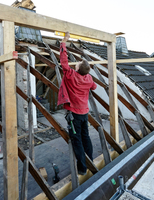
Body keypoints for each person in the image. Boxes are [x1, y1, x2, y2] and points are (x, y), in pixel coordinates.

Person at [57, 32, 97, 175]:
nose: (76, 63)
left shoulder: (71, 75)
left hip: (74, 114)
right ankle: (90, 161)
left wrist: (64, 41)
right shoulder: (89, 78)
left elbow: (64, 61)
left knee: (77, 140)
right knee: (86, 137)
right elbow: (94, 87)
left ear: (78, 69)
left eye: (78, 64)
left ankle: (82, 168)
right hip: (84, 113)